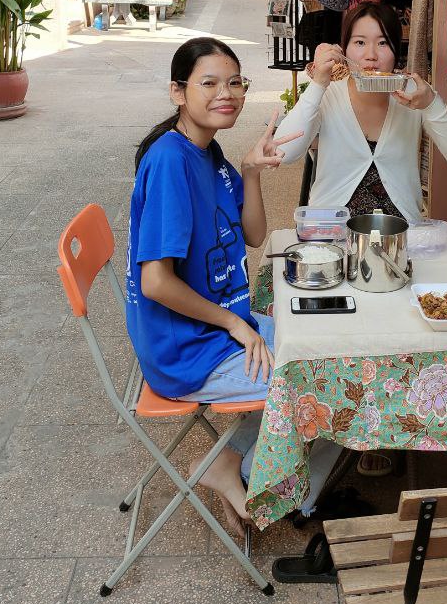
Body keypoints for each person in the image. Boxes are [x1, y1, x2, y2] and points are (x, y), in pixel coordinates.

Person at [126, 36, 342, 537]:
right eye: (210, 83)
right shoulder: (170, 162)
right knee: (329, 383)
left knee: (331, 350)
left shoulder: (209, 152)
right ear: (178, 93)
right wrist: (234, 325)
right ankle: (276, 498)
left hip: (221, 328)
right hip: (187, 349)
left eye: (235, 82)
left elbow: (254, 234)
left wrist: (249, 171)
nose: (227, 92)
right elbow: (155, 282)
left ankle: (229, 465)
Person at [276, 2, 447, 222]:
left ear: (396, 50)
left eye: (383, 43)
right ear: (344, 49)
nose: (370, 55)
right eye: (360, 42)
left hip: (399, 234)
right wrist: (317, 86)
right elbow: (283, 152)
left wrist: (431, 104)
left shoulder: (413, 93)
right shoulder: (328, 93)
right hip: (331, 232)